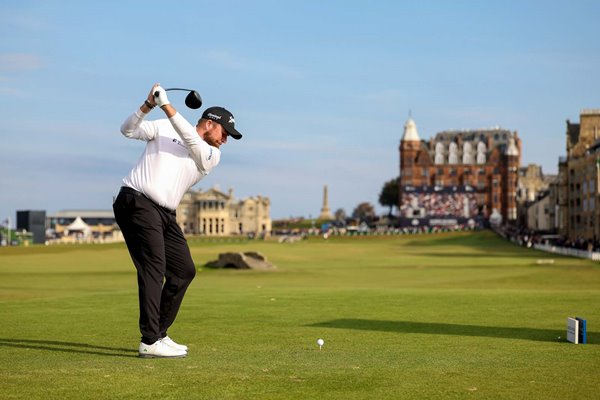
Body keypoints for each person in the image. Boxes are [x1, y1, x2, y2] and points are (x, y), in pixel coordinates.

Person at [113, 83, 242, 358]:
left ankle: (159, 332)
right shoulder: (164, 127)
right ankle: (149, 340)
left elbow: (190, 139)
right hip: (136, 201)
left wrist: (167, 106)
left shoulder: (210, 155)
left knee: (184, 270)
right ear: (209, 123)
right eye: (225, 132)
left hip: (165, 214)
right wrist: (147, 106)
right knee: (153, 268)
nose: (226, 140)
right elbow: (127, 130)